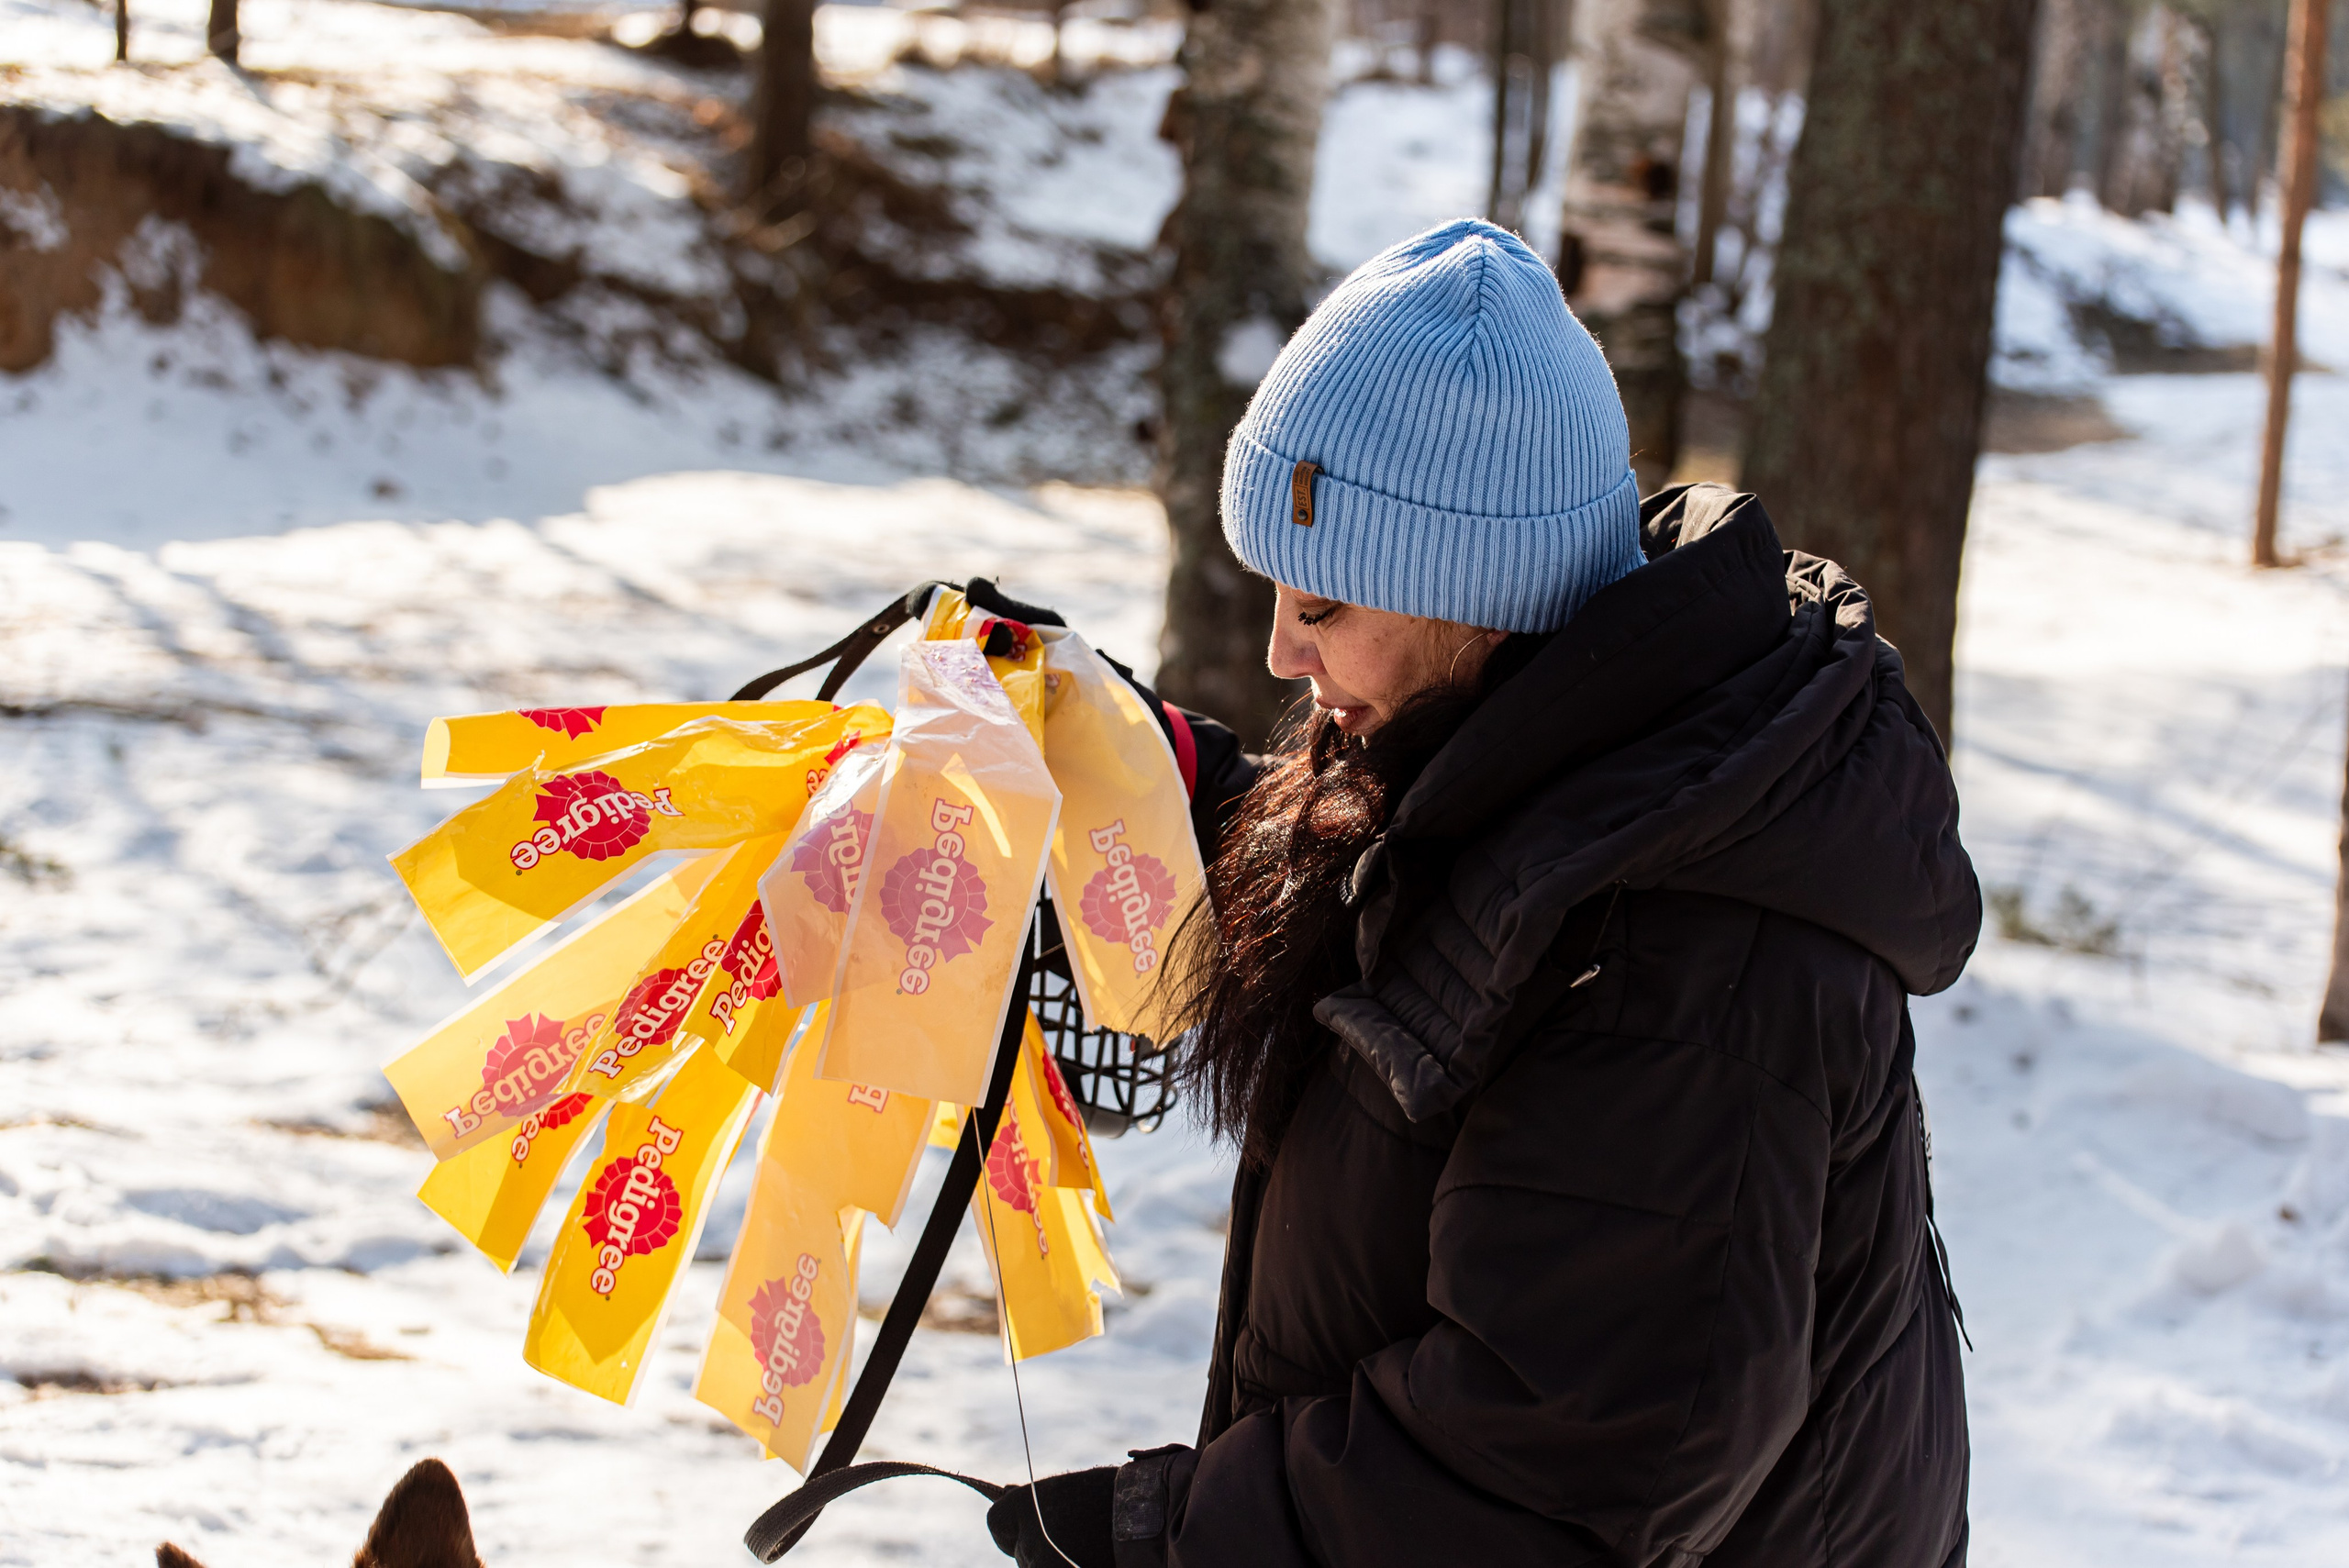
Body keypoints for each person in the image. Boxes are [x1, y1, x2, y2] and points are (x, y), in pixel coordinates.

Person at [983, 218, 1979, 1568]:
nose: (1281, 645)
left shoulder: (1689, 961)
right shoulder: (1540, 749)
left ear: (1475, 590)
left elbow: (1565, 1469)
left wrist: (1183, 1535)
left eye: (1325, 604)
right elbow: (1433, 919)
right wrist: (1142, 774)